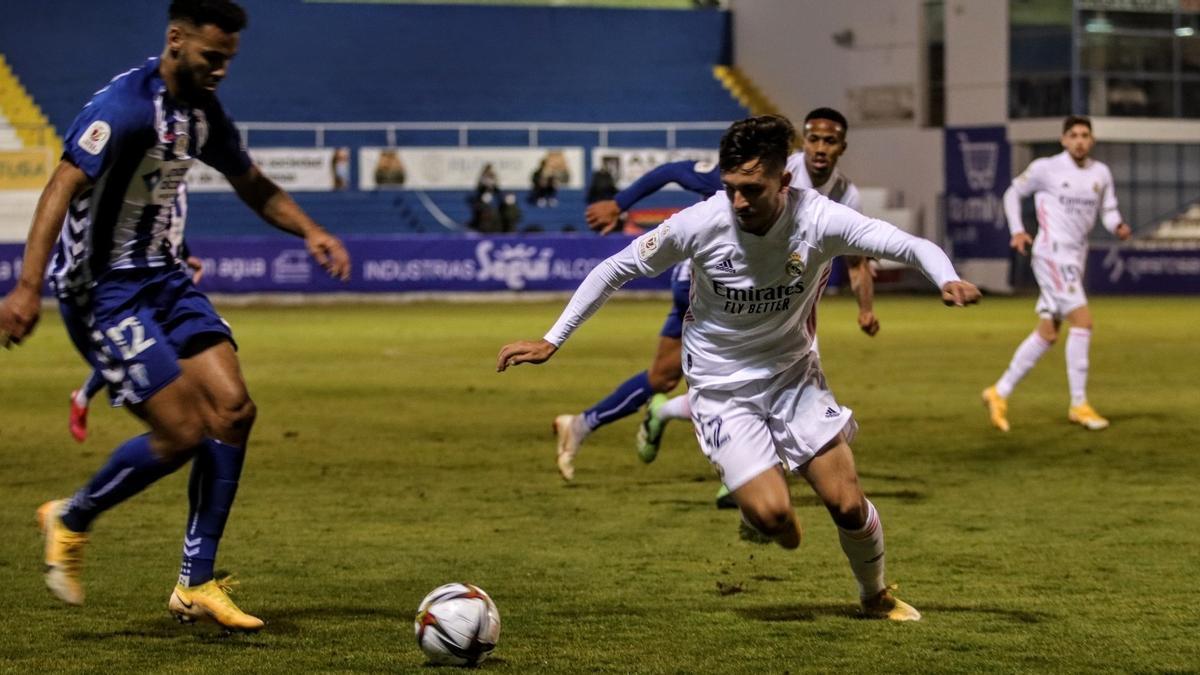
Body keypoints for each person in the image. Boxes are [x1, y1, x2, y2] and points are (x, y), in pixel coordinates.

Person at [498, 114, 980, 621]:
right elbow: (615, 268)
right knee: (779, 523)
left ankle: (875, 595)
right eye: (731, 189)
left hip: (794, 376)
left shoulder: (821, 219)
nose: (739, 202)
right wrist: (553, 339)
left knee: (847, 504)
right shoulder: (702, 221)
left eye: (752, 189)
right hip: (720, 387)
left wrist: (946, 277)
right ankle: (768, 515)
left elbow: (909, 244)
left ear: (783, 180)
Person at [0, 0, 351, 631]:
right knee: (183, 431)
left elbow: (252, 184)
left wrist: (311, 232)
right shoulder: (125, 109)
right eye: (212, 58)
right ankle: (71, 518)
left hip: (164, 278)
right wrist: (28, 288)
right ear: (176, 40)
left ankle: (196, 583)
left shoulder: (202, 112)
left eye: (229, 61)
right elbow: (59, 188)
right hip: (103, 292)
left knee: (234, 410)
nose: (220, 71)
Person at [557, 108, 876, 492]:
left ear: (842, 146)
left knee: (663, 377)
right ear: (803, 142)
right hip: (714, 285)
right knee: (768, 373)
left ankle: (585, 423)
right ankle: (746, 477)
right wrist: (620, 202)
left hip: (779, 300)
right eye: (814, 138)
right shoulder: (760, 167)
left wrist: (865, 308)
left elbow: (858, 262)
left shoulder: (846, 195)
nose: (821, 148)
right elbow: (674, 171)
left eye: (830, 141)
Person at [982, 115, 1131, 432]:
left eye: (1085, 135)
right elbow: (1012, 194)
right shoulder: (1045, 168)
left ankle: (999, 391)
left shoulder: (1100, 173)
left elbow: (1108, 209)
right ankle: (1079, 404)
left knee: (1048, 332)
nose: (1080, 140)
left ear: (1091, 140)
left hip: (1075, 258)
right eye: (1074, 135)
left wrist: (1117, 224)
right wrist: (1018, 230)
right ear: (1064, 140)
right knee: (1083, 322)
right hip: (1051, 254)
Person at [70, 251, 205, 443]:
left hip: (166, 278)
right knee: (179, 430)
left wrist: (185, 255)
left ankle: (82, 397)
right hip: (134, 285)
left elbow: (170, 234)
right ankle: (82, 397)